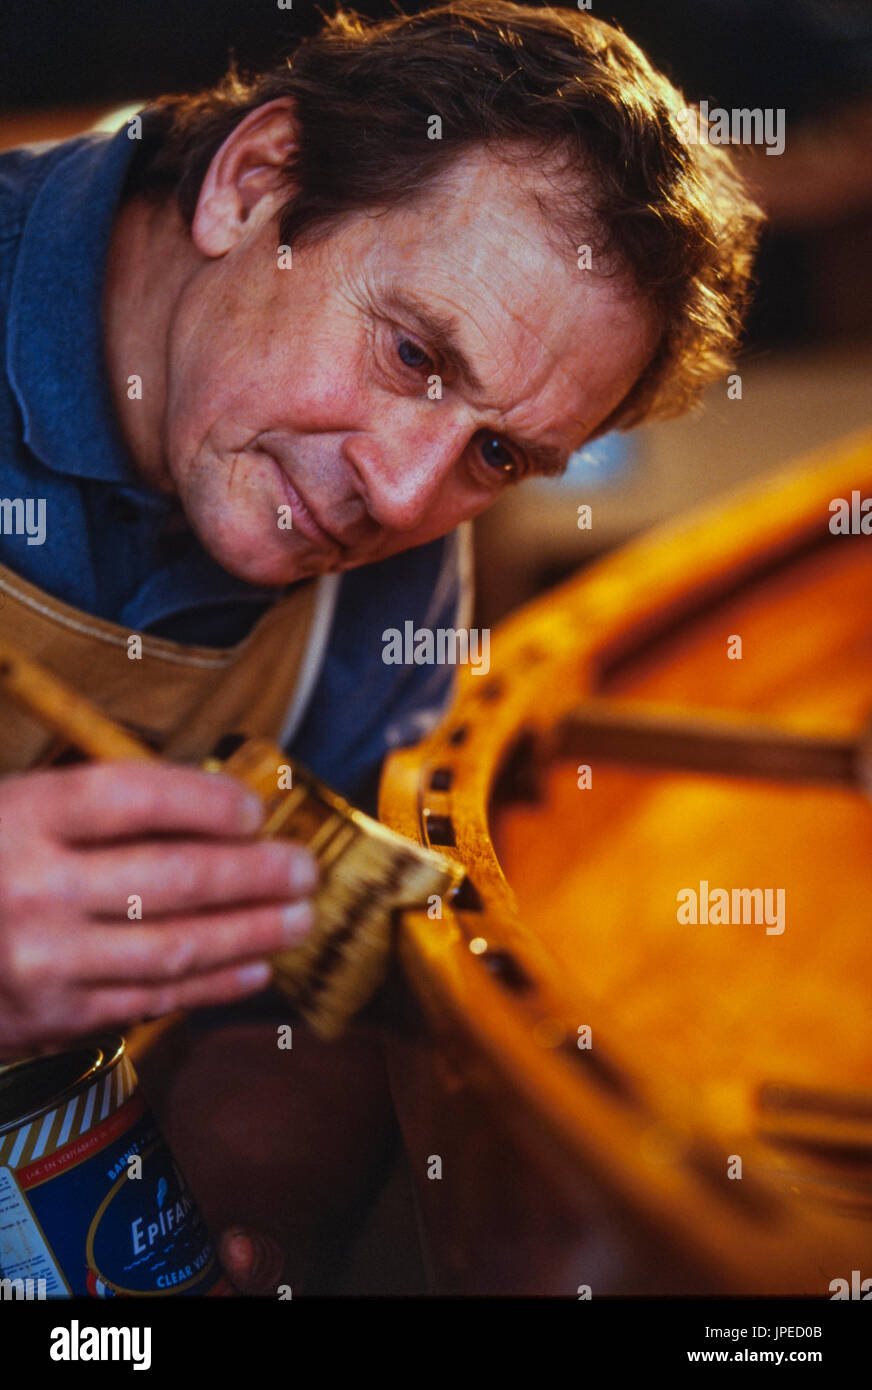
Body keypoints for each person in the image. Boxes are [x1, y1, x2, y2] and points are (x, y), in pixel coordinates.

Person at [0, 0, 763, 1292]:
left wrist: (249, 1216)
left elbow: (300, 999)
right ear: (255, 184)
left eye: (497, 454)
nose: (405, 497)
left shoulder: (386, 558)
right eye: (412, 351)